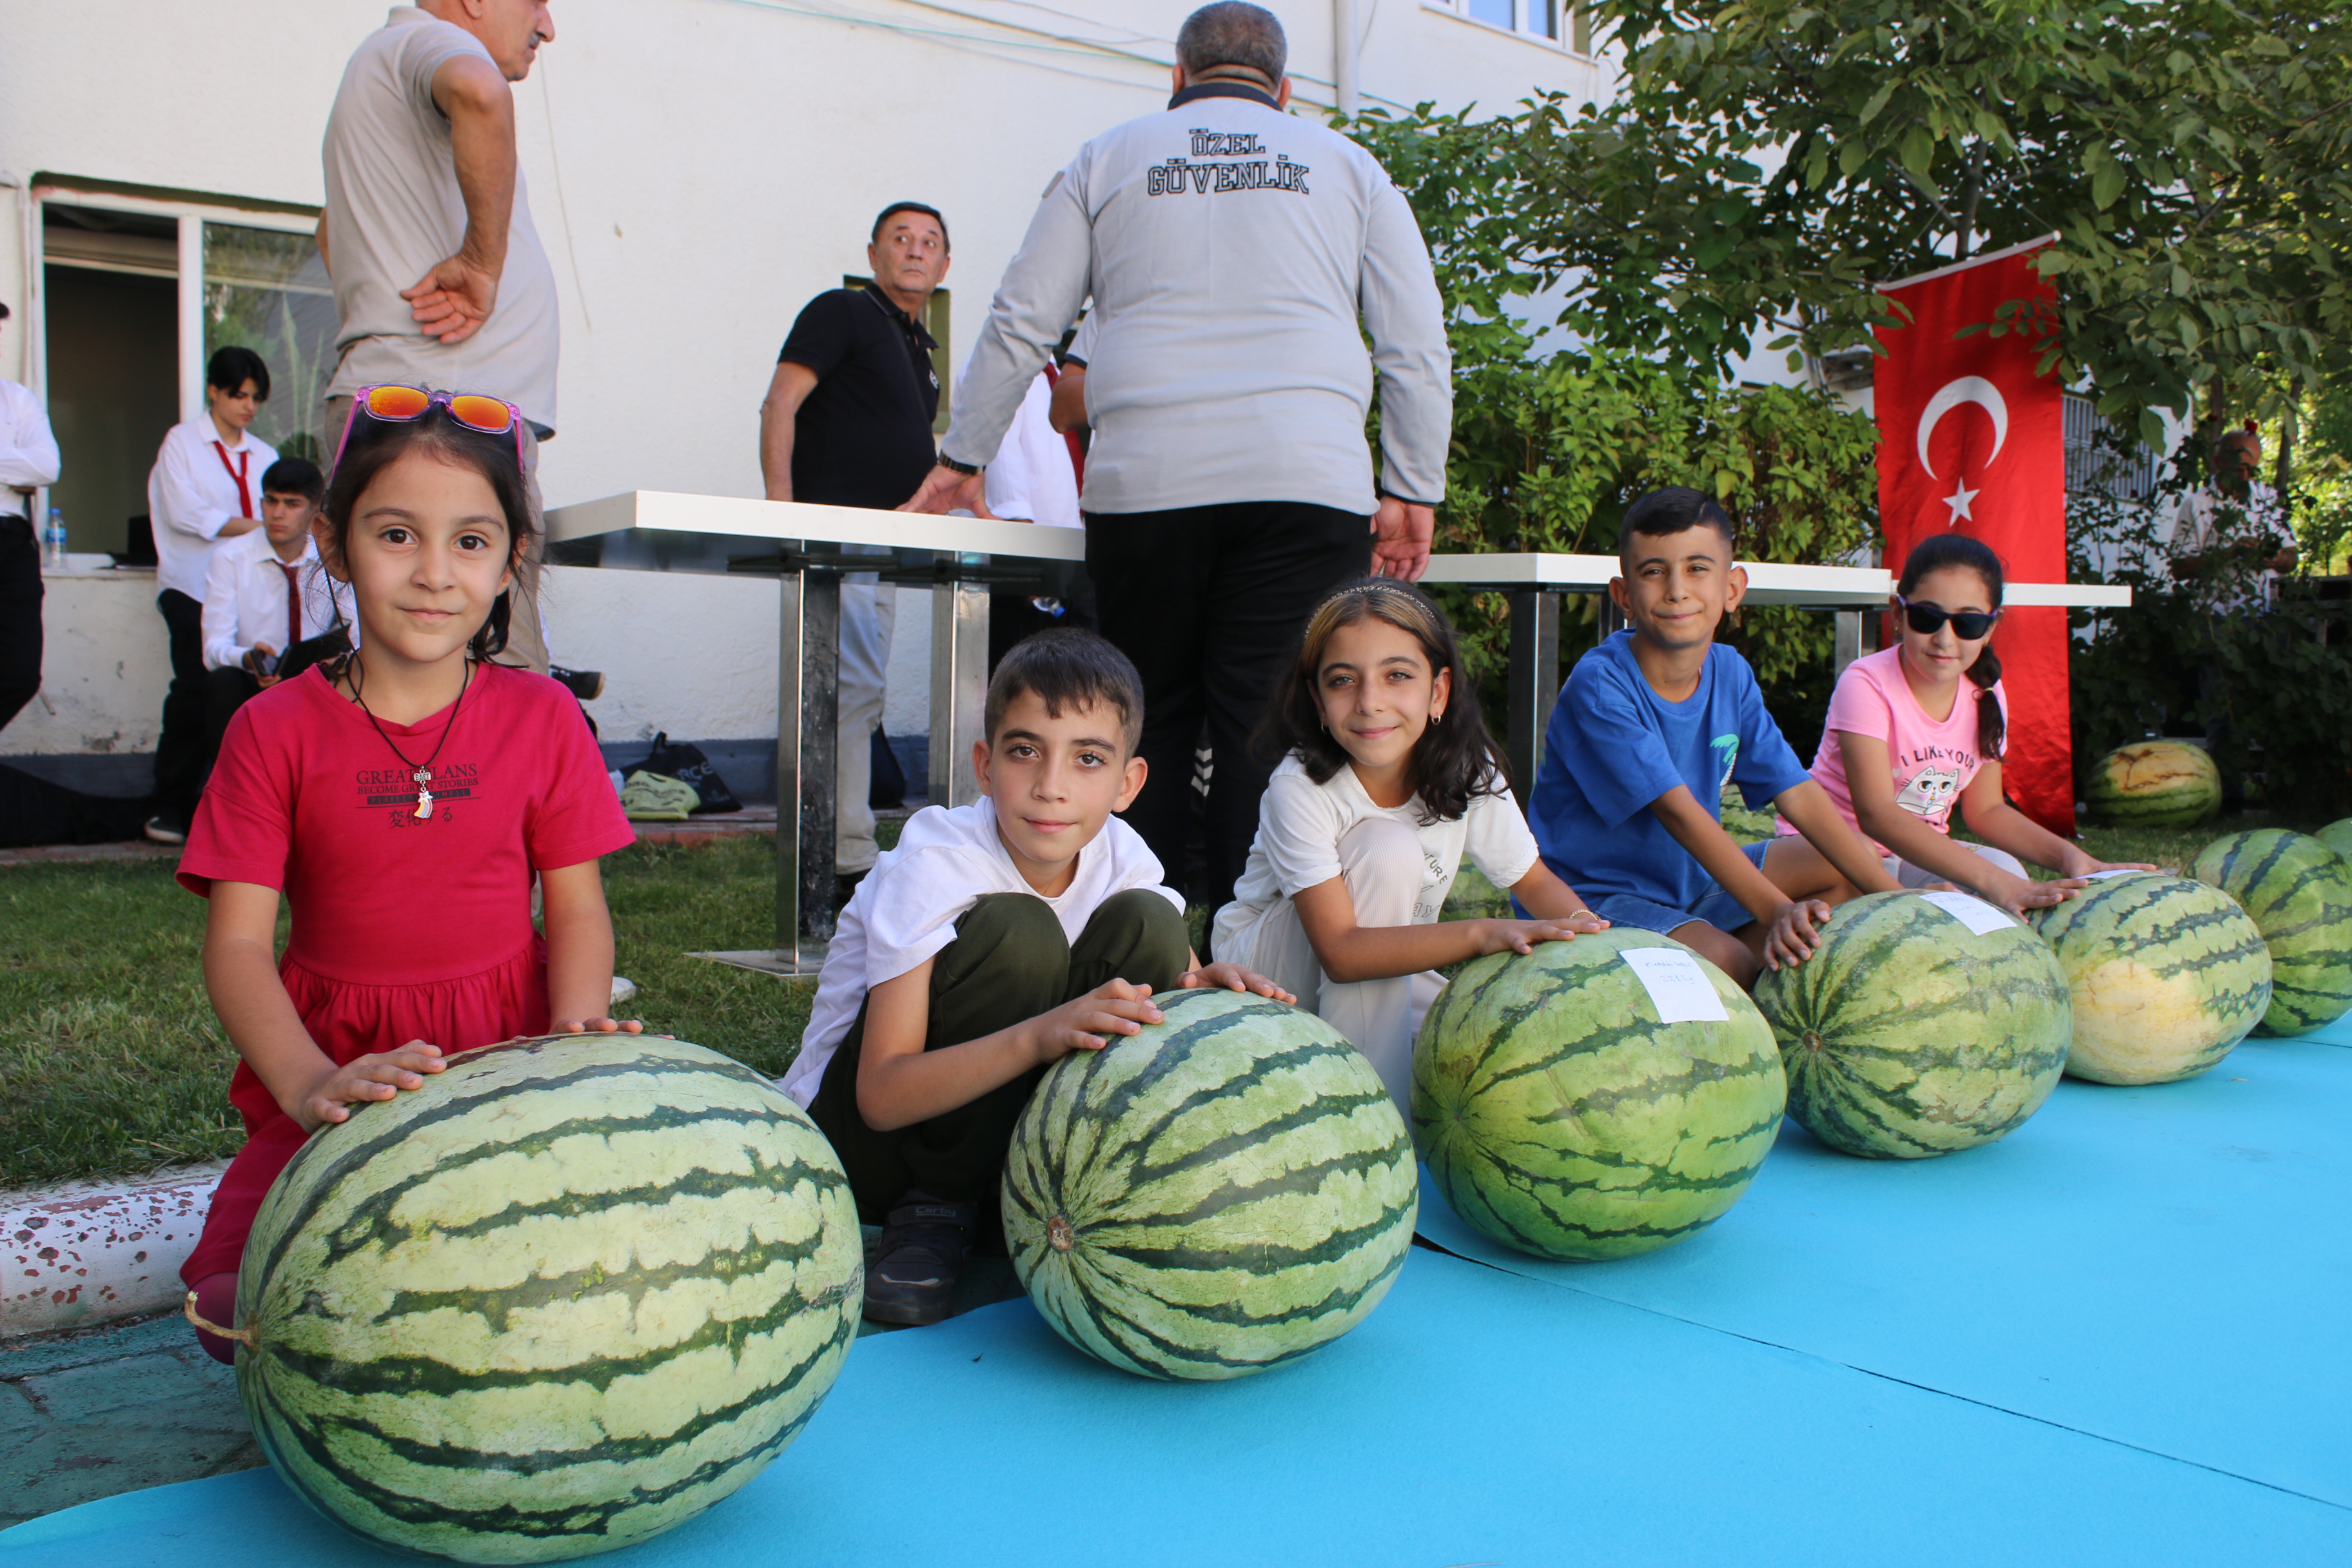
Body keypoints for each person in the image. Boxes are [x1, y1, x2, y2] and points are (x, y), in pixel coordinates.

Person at [899, 2, 1453, 914]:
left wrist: (965, 455)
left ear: (1175, 80)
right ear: (1285, 92)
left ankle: (1136, 935)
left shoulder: (1109, 156)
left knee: (1142, 707)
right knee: (1267, 722)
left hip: (1145, 483)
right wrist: (1410, 486)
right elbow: (1416, 345)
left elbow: (1019, 319)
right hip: (1304, 481)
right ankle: (1248, 948)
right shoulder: (1350, 166)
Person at [173, 385, 638, 1366]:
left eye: (470, 542)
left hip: (509, 1056)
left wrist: (571, 1047)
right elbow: (239, 947)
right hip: (342, 1065)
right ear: (337, 546)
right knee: (236, 1303)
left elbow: (581, 913)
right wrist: (310, 1089)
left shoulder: (545, 718)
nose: (434, 575)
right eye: (397, 536)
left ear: (511, 558)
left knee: (557, 1282)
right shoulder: (271, 730)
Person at [780, 629, 1289, 1325]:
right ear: (985, 766)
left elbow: (1174, 980)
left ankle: (1076, 1191)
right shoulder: (936, 861)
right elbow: (881, 1095)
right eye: (1026, 751)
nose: (1051, 786)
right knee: (1017, 930)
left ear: (1127, 783)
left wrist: (1211, 990)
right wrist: (1040, 1035)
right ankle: (936, 1209)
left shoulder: (1121, 855)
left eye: (1087, 758)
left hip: (1004, 1141)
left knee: (1148, 921)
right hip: (872, 1156)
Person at [1213, 580, 1607, 1112]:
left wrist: (1601, 952)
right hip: (1268, 972)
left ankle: (1379, 1075)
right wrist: (1481, 933)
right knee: (1387, 847)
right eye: (1342, 680)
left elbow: (1532, 880)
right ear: (1318, 701)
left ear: (1438, 691)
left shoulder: (1467, 770)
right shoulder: (1300, 786)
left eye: (1397, 676)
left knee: (1488, 1046)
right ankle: (1367, 1119)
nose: (1370, 702)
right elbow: (1342, 952)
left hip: (1384, 961)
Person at [1527, 487, 1899, 989]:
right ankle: (1749, 990)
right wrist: (1778, 909)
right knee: (1726, 964)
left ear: (1733, 587)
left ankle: (1777, 985)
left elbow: (1800, 793)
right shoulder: (1601, 684)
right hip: (1597, 896)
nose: (1677, 590)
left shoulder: (1731, 672)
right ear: (1624, 596)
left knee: (1851, 866)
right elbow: (1678, 813)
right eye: (1654, 571)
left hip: (1692, 883)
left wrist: (1895, 900)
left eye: (1698, 568)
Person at [318, 0, 562, 674]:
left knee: (421, 673)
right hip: (449, 411)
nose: (547, 25)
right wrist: (482, 264)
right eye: (537, 2)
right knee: (495, 676)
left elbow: (329, 232)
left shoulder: (380, 70)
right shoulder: (425, 43)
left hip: (426, 398)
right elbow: (479, 93)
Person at [1787, 534, 2154, 917]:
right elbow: (1876, 813)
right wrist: (1989, 881)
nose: (1945, 639)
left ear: (1992, 627)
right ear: (1898, 613)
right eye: (1928, 617)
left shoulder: (1987, 693)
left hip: (1913, 856)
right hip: (1834, 855)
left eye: (1968, 623)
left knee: (2007, 871)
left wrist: (2070, 857)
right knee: (1975, 890)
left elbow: (1987, 810)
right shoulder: (1866, 683)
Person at [760, 202, 952, 894]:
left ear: (944, 266)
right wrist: (781, 513)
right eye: (901, 238)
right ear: (873, 253)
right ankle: (835, 856)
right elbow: (780, 402)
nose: (914, 250)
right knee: (836, 692)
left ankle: (848, 847)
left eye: (929, 242)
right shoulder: (843, 312)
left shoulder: (919, 350)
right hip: (835, 536)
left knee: (861, 694)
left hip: (889, 543)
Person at [144, 347, 280, 845]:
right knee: (192, 693)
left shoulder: (265, 454)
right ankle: (168, 808)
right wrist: (268, 526)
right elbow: (189, 515)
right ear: (213, 391)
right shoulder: (181, 443)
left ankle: (234, 809)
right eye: (239, 395)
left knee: (246, 694)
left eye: (256, 398)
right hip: (191, 587)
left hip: (249, 594)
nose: (248, 406)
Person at [196, 457, 346, 794]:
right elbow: (212, 649)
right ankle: (232, 793)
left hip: (317, 677)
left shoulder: (331, 556)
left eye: (292, 504)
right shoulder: (231, 557)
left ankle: (332, 797)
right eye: (271, 500)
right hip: (255, 680)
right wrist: (249, 658)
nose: (277, 513)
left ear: (314, 509)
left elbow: (356, 633)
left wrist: (335, 661)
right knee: (222, 682)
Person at [0, 300, 62, 736]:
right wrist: (12, 470)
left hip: (11, 544)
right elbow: (27, 467)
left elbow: (46, 468)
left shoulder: (17, 400)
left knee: (20, 672)